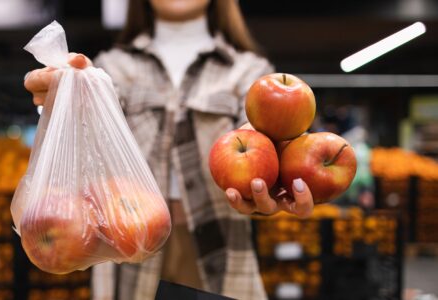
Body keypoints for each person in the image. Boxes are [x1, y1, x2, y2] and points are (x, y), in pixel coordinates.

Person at [24, 0, 315, 299]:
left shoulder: (250, 71)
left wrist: (277, 173)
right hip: (126, 248)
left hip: (220, 255)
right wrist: (69, 88)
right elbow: (91, 141)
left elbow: (259, 145)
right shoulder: (112, 68)